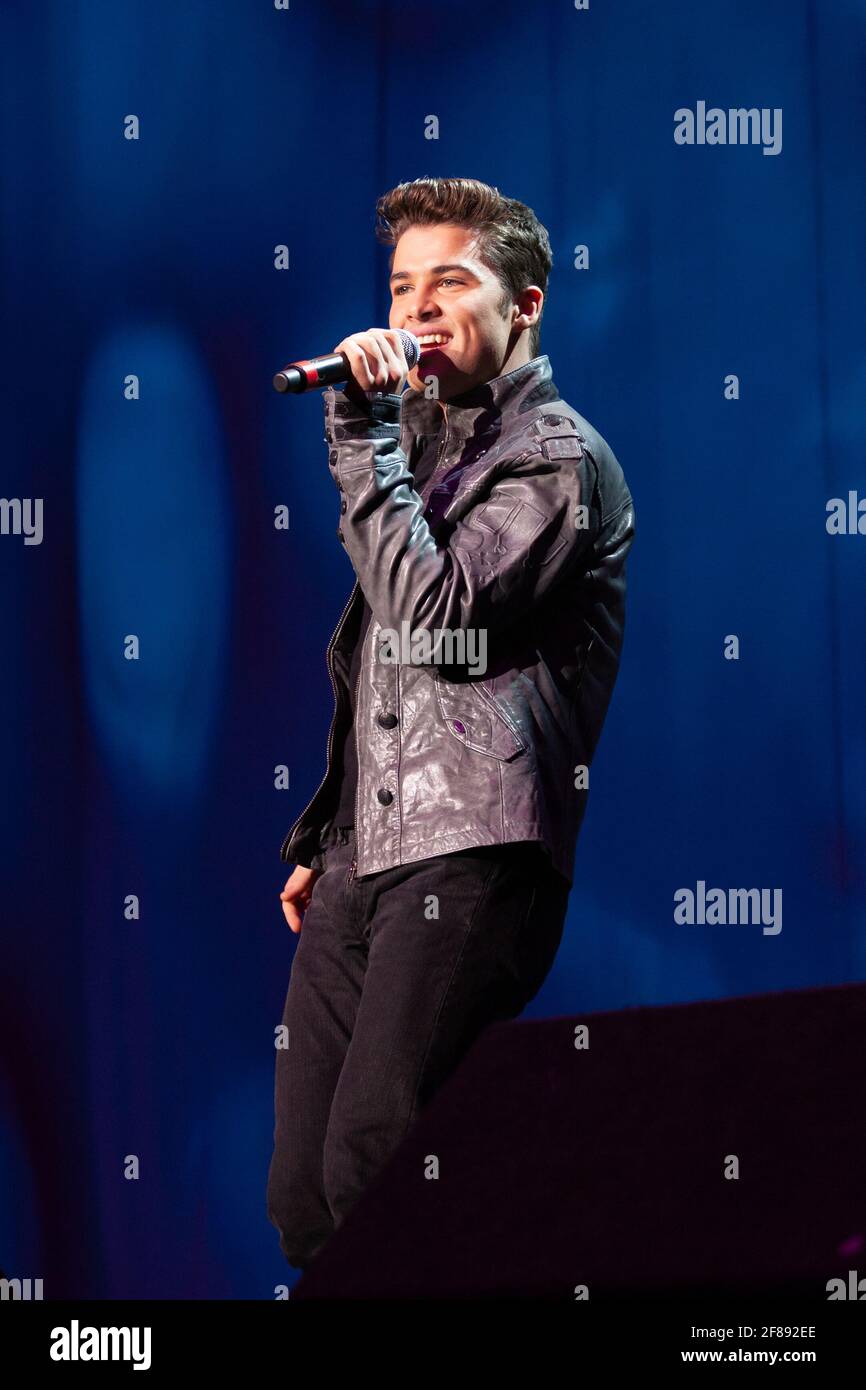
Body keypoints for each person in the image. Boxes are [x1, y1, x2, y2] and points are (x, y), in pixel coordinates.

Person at [266, 176, 635, 1271]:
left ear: (524, 304)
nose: (414, 310)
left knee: (381, 1150)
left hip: (474, 849)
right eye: (398, 288)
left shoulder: (554, 459)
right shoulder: (416, 450)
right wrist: (332, 834)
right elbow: (373, 666)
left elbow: (436, 624)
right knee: (300, 1191)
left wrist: (360, 436)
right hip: (363, 860)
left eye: (447, 284)